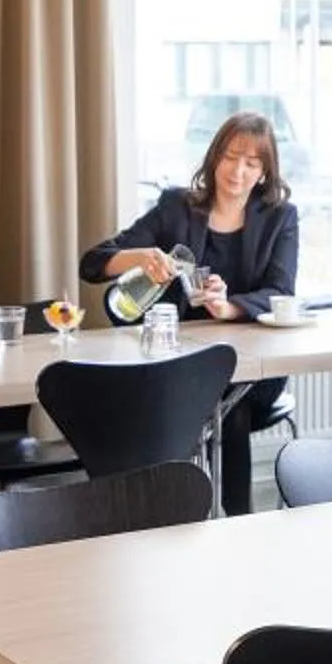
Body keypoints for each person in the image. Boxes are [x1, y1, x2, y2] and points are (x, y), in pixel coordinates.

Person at [78, 112, 301, 516]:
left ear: (265, 172)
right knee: (192, 394)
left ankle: (234, 519)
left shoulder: (280, 218)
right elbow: (92, 264)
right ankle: (154, 516)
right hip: (174, 360)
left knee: (227, 400)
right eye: (232, 157)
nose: (238, 171)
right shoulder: (176, 208)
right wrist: (139, 257)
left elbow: (280, 292)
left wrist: (229, 306)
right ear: (215, 157)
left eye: (252, 163)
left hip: (251, 371)